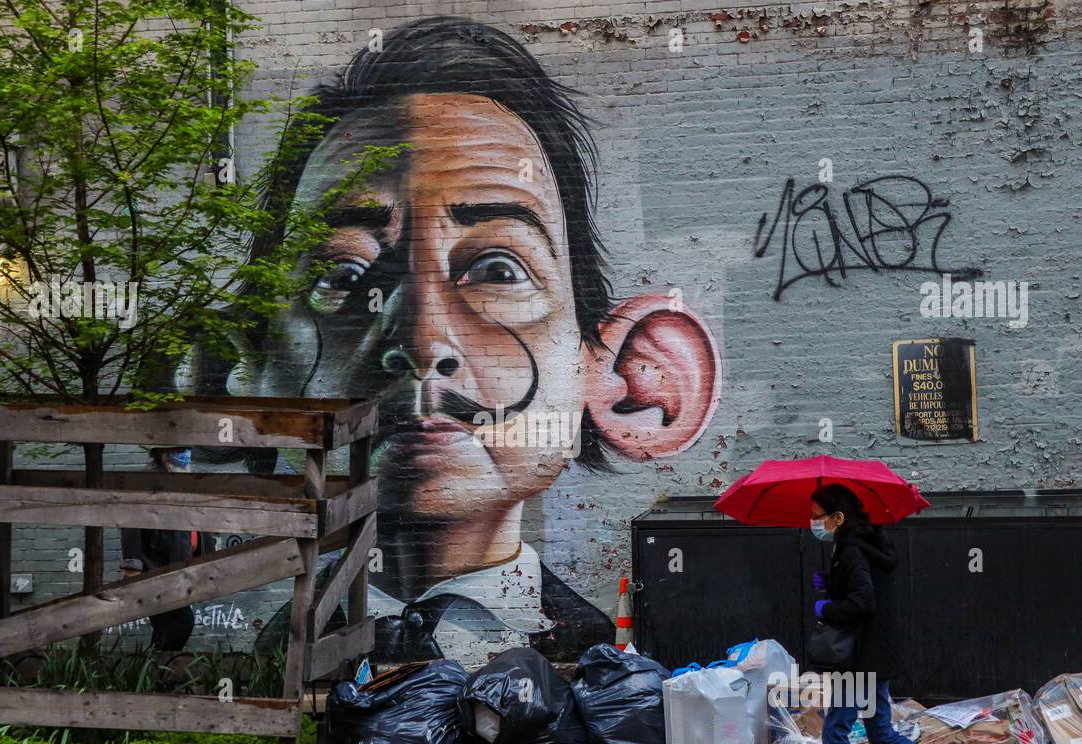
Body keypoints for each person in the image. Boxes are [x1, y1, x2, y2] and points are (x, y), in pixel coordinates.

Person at [205, 17, 723, 668]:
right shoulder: (278, 658)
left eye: (499, 270)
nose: (422, 341)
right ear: (249, 367)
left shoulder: (589, 650)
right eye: (343, 274)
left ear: (615, 374)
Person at [788, 483, 973, 744]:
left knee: (836, 731)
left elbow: (862, 603)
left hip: (858, 659)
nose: (814, 524)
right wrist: (831, 581)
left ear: (838, 517)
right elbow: (865, 588)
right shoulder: (867, 542)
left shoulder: (851, 549)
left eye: (817, 518)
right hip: (876, 655)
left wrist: (826, 605)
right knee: (881, 732)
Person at [118, 446, 213, 651]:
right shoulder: (148, 481)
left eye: (186, 449)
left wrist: (207, 559)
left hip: (184, 566)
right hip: (158, 564)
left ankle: (155, 673)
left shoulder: (186, 480)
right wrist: (132, 564)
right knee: (181, 623)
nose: (185, 454)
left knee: (165, 627)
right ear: (162, 454)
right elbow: (131, 522)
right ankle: (158, 669)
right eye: (178, 450)